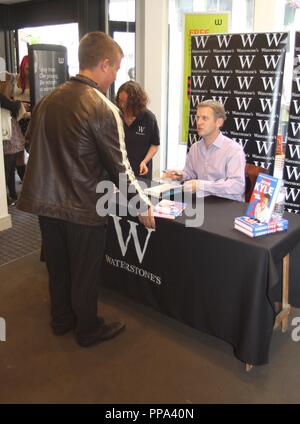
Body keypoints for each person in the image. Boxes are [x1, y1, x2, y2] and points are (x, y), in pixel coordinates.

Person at [17, 32, 155, 347]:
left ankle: (61, 320)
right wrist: (143, 204)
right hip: (83, 207)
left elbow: (29, 146)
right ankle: (88, 329)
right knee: (85, 272)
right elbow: (121, 168)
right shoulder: (102, 108)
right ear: (104, 63)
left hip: (45, 204)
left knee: (58, 266)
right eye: (116, 68)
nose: (116, 76)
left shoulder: (47, 100)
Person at [163, 100, 246, 201]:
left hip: (227, 205)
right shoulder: (195, 148)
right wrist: (179, 175)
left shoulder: (233, 149)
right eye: (197, 117)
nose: (198, 122)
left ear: (219, 122)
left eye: (205, 118)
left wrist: (201, 185)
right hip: (202, 202)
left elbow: (238, 186)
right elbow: (190, 173)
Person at [116, 81, 160, 179]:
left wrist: (145, 161)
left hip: (141, 172)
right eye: (120, 101)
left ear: (135, 103)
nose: (122, 105)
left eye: (125, 102)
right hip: (120, 172)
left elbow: (155, 144)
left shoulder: (148, 118)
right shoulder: (116, 115)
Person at [0, 73, 26, 205]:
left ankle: (12, 196)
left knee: (10, 168)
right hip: (7, 139)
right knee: (6, 170)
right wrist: (18, 103)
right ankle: (6, 198)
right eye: (10, 84)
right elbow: (16, 107)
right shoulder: (2, 98)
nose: (12, 87)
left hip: (9, 139)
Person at [14, 55, 31, 181]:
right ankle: (25, 181)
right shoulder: (14, 79)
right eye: (27, 69)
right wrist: (18, 104)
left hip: (30, 118)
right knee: (18, 153)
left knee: (32, 150)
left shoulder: (37, 80)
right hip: (16, 118)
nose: (29, 72)